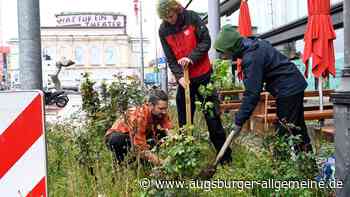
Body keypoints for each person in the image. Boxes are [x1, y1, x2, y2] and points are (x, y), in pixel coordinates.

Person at [214, 25, 312, 152]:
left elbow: (252, 93)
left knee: (282, 135)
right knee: (297, 129)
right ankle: (309, 167)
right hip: (293, 84)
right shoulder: (254, 44)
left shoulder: (251, 58)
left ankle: (279, 168)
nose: (222, 56)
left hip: (288, 89)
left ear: (232, 48)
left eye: (224, 52)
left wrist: (239, 121)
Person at [157, 0, 232, 164]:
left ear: (176, 9)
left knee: (212, 118)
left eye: (171, 16)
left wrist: (191, 58)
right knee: (184, 122)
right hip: (185, 81)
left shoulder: (192, 18)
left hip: (203, 75)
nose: (170, 20)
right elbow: (170, 58)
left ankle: (225, 158)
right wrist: (179, 77)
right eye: (166, 18)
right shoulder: (163, 30)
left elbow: (206, 42)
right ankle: (187, 158)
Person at [105, 89, 172, 166]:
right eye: (161, 109)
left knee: (162, 135)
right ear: (150, 105)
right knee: (118, 140)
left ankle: (143, 160)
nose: (164, 112)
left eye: (165, 108)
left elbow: (169, 131)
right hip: (119, 137)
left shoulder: (161, 113)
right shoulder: (139, 116)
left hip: (138, 136)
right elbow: (140, 147)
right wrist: (162, 163)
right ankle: (122, 163)